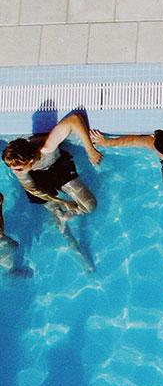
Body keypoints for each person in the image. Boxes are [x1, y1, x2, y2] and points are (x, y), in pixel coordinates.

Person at [2, 113, 102, 272]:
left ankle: (64, 216)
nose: (15, 172)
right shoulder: (20, 169)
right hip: (38, 182)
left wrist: (90, 150)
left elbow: (74, 119)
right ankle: (78, 252)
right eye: (12, 168)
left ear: (30, 160)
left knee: (90, 205)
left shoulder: (46, 148)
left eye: (18, 168)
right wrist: (63, 202)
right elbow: (34, 189)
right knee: (58, 218)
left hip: (58, 169)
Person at [0, 195, 32, 280]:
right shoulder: (8, 262)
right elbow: (14, 245)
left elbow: (14, 245)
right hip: (12, 233)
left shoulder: (8, 262)